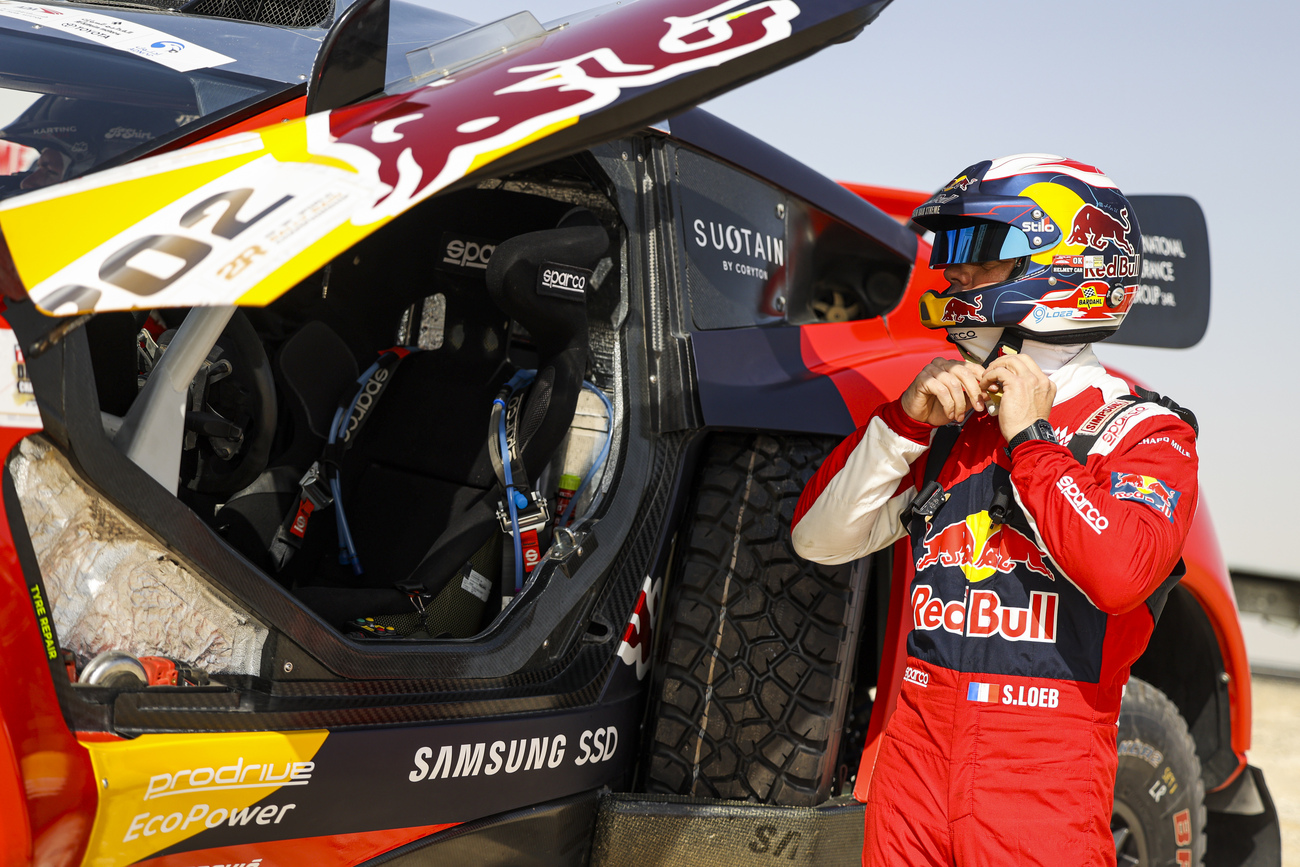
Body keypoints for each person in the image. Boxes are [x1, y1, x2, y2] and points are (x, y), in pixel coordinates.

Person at [791, 154, 1199, 866]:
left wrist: (1035, 443)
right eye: (952, 252)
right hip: (909, 790)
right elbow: (818, 539)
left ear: (1062, 263)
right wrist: (901, 425)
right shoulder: (947, 425)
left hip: (1039, 798)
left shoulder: (1143, 432)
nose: (954, 275)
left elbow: (1120, 572)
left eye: (979, 254)